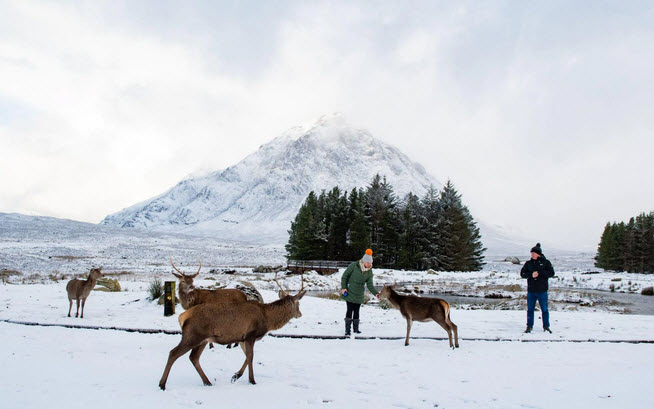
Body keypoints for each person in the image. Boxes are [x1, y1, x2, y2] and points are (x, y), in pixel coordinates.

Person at [340, 249, 380, 336]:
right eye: (367, 263)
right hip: (350, 291)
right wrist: (343, 288)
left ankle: (356, 329)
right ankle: (347, 330)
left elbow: (370, 285)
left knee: (357, 310)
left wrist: (376, 293)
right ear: (364, 261)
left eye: (370, 263)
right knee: (349, 310)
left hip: (359, 293)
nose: (369, 264)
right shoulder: (354, 266)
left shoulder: (369, 271)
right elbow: (344, 277)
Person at [520, 243, 555, 333]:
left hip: (542, 290)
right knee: (530, 309)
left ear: (538, 254)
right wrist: (531, 275)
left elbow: (551, 273)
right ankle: (529, 326)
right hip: (531, 290)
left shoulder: (546, 263)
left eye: (533, 253)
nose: (532, 255)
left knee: (544, 309)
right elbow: (522, 274)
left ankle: (546, 326)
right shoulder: (528, 263)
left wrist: (540, 273)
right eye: (531, 253)